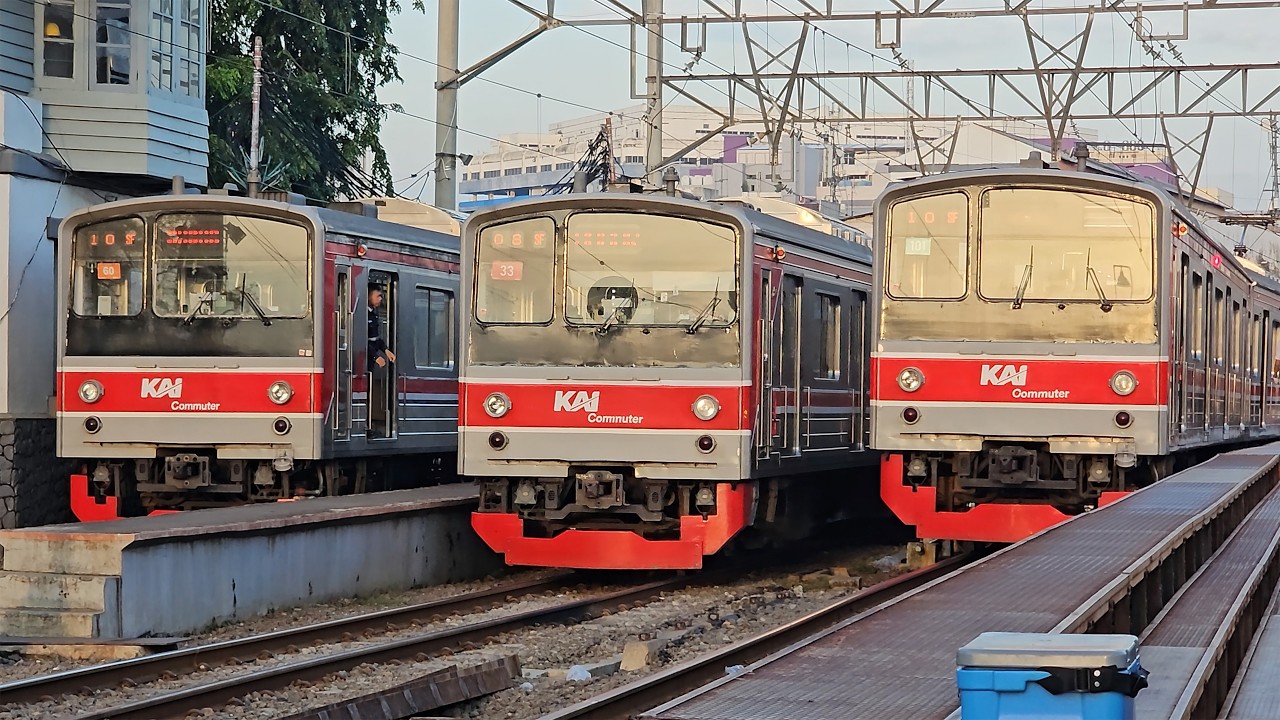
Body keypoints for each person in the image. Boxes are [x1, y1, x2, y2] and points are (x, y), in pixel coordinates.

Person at [368, 285, 396, 370]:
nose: (380, 299)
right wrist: (375, 357)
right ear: (369, 296)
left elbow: (375, 338)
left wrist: (385, 350)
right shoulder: (363, 314)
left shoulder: (373, 315)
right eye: (378, 296)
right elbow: (361, 341)